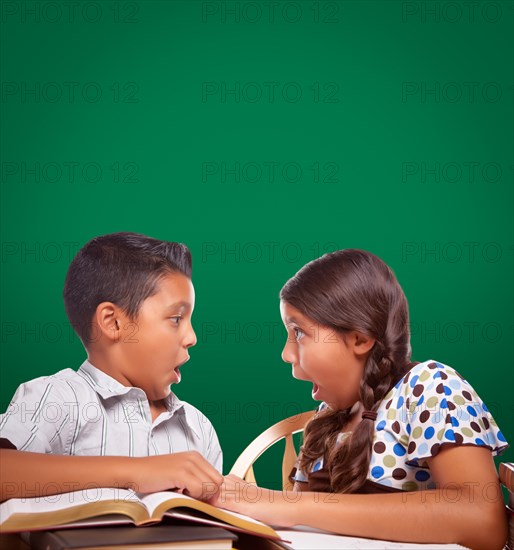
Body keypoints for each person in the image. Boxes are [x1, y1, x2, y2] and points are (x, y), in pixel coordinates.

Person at [211, 249, 509, 550]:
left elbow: (481, 519)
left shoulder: (431, 387)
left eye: (298, 332)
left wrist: (289, 504)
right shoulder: (326, 418)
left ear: (360, 338)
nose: (286, 354)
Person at [0, 232, 223, 502]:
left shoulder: (198, 427)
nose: (192, 337)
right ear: (113, 322)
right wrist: (136, 472)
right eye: (176, 318)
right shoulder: (58, 398)